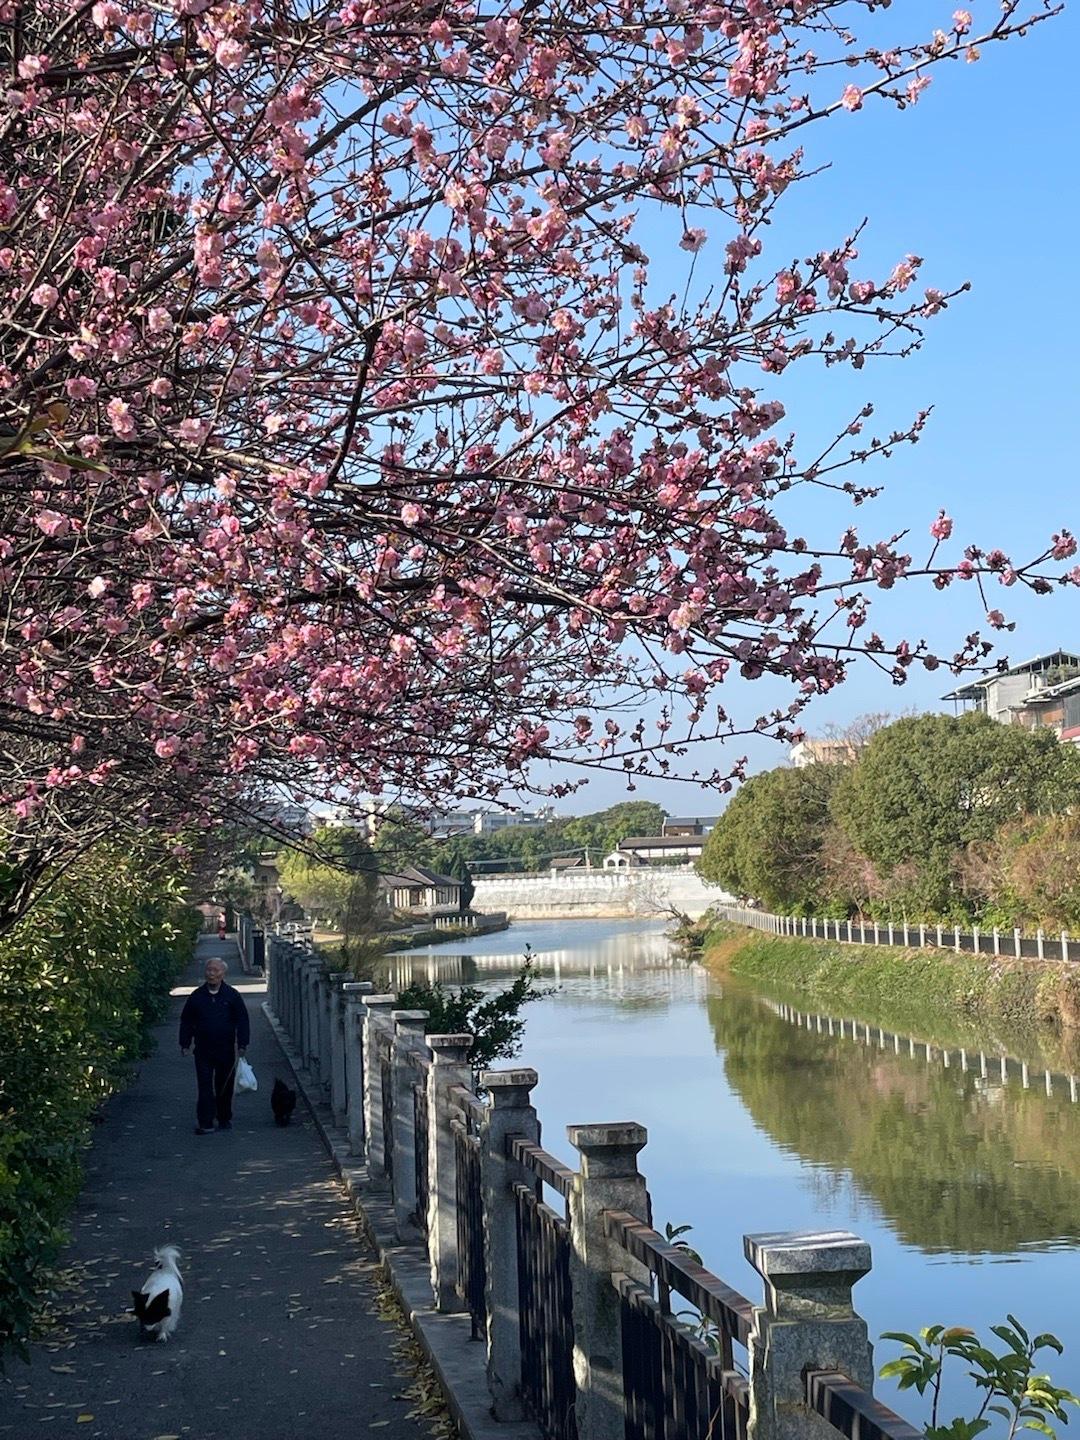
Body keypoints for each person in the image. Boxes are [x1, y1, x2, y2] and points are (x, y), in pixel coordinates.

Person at [179, 957, 251, 1135]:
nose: (211, 974)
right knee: (204, 1086)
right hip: (203, 1049)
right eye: (209, 970)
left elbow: (242, 1020)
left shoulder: (232, 995)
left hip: (225, 1049)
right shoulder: (197, 996)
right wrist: (185, 1043)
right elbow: (187, 1020)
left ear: (223, 974)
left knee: (223, 1085)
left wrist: (243, 1043)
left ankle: (224, 1117)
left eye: (215, 971)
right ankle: (205, 1122)